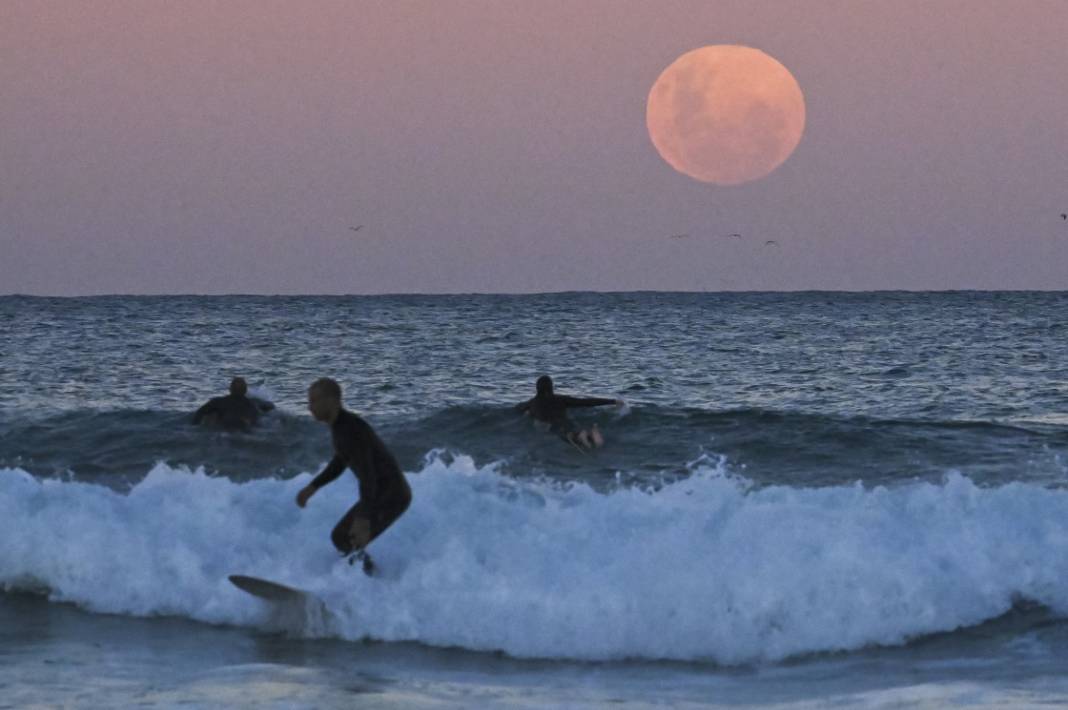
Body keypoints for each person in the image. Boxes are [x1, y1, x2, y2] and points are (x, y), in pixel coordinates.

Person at [296, 377, 411, 575]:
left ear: (332, 401)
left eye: (314, 401)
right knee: (345, 539)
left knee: (345, 538)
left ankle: (372, 581)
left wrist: (363, 519)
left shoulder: (350, 430)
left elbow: (368, 476)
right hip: (385, 492)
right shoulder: (342, 427)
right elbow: (340, 461)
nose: (310, 407)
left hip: (392, 495)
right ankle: (370, 578)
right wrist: (313, 487)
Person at [516, 375, 623, 449]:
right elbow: (586, 402)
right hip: (568, 423)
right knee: (576, 432)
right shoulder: (561, 399)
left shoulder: (532, 403)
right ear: (551, 387)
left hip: (555, 427)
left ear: (537, 388)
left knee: (568, 436)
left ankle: (582, 436)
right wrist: (612, 401)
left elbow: (518, 409)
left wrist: (528, 413)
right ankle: (589, 433)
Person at [191, 377, 273, 431]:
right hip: (247, 429)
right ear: (245, 391)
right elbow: (271, 407)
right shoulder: (253, 403)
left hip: (225, 429)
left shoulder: (218, 402)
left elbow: (200, 412)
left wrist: (195, 427)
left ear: (230, 389)